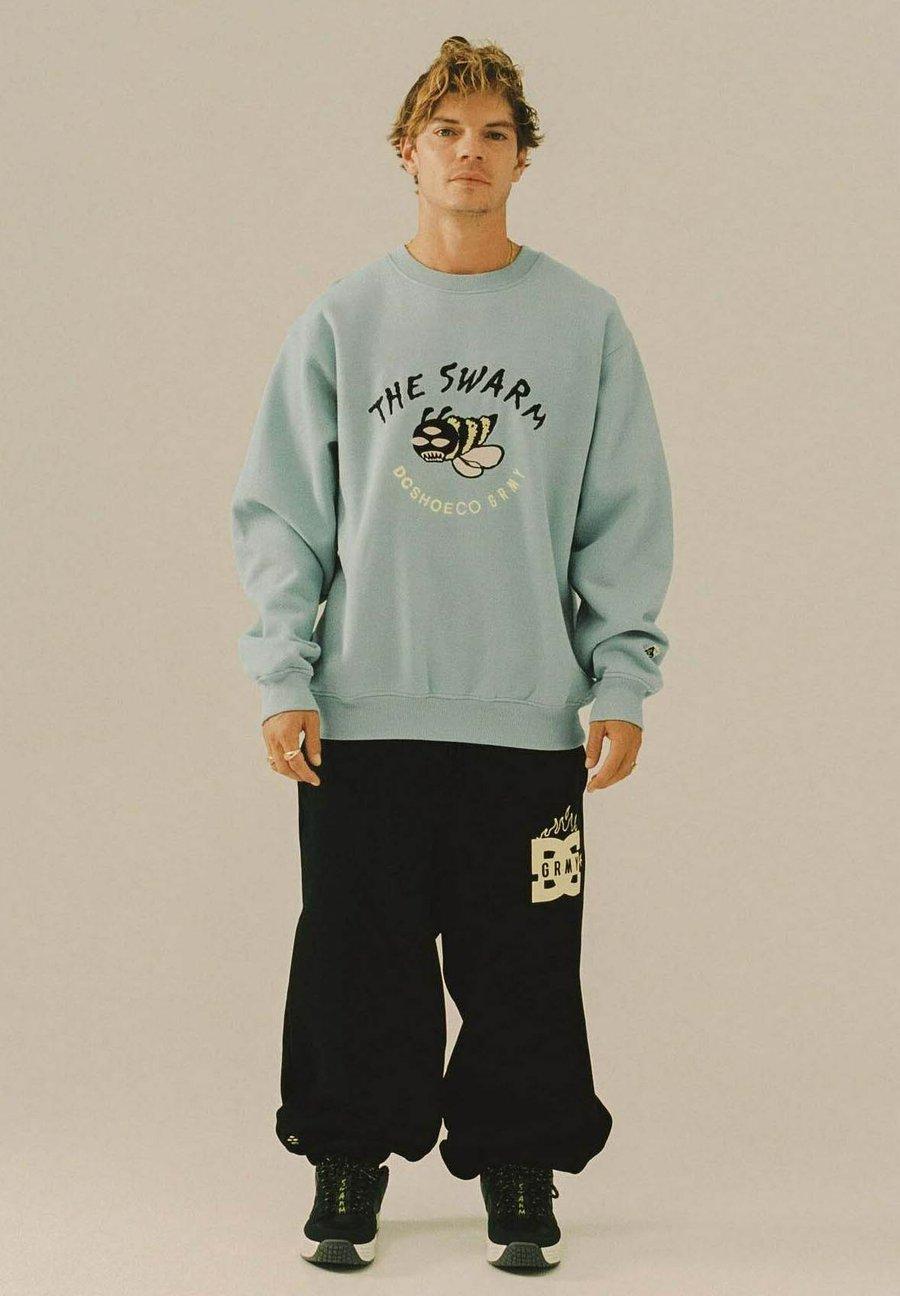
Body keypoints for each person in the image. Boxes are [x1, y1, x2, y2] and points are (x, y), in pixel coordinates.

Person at [230, 35, 674, 1273]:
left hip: (527, 722)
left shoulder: (583, 323)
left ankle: (521, 1165)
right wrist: (283, 675)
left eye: (493, 134)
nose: (469, 152)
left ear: (522, 157)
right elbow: (283, 512)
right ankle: (348, 1158)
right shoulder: (345, 319)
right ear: (407, 153)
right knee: (355, 957)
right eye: (446, 132)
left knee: (525, 962)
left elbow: (625, 514)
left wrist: (621, 676)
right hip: (363, 717)